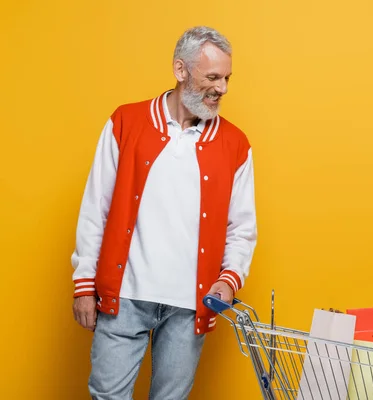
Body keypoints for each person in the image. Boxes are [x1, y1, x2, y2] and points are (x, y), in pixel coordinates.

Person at [70, 26, 257, 399]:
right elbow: (96, 208)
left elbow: (242, 228)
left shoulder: (235, 144)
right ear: (181, 70)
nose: (222, 89)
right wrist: (84, 283)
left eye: (227, 78)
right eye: (213, 77)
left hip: (191, 306)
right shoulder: (126, 123)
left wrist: (229, 278)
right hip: (123, 296)